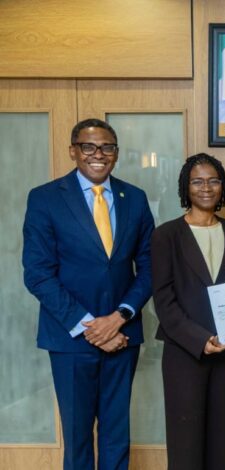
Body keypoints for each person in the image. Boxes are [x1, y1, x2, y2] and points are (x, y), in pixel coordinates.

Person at [22, 118, 154, 470]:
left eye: (107, 147)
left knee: (116, 436)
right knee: (77, 438)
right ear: (73, 151)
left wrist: (119, 317)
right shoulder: (45, 198)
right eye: (88, 147)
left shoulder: (135, 198)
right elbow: (37, 274)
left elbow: (150, 267)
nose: (98, 154)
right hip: (70, 340)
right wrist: (90, 327)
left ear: (116, 153)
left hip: (123, 336)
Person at [151, 153, 225, 470]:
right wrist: (200, 339)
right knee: (186, 443)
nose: (206, 188)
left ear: (222, 186)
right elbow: (163, 300)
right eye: (197, 181)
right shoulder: (166, 235)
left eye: (213, 180)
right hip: (185, 352)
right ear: (186, 187)